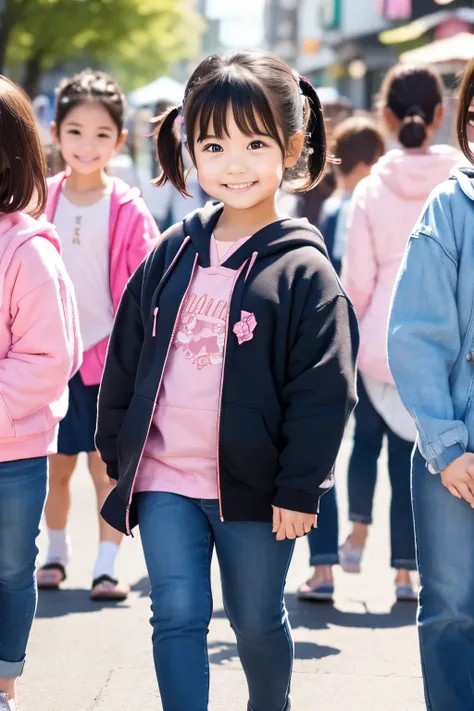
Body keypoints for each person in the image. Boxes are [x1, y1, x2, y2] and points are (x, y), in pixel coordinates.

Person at [96, 50, 359, 711]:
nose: (234, 163)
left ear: (292, 146)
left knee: (255, 620)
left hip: (257, 489)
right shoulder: (174, 248)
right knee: (176, 614)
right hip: (164, 478)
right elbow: (127, 354)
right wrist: (115, 448)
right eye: (213, 145)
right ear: (190, 150)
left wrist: (300, 487)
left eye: (255, 141)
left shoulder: (304, 269)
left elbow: (324, 390)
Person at [36, 69, 160, 601]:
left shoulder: (128, 209)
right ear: (56, 132)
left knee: (105, 471)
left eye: (102, 134)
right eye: (75, 132)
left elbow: (150, 289)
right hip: (49, 361)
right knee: (55, 470)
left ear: (120, 139)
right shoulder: (38, 199)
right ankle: (56, 553)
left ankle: (107, 565)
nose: (87, 145)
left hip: (109, 363)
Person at [340, 64, 460, 601]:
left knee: (367, 446)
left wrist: (348, 337)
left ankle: (357, 532)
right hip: (452, 350)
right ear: (441, 115)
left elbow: (357, 279)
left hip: (378, 343)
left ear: (385, 117)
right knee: (423, 458)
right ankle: (408, 572)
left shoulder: (371, 188)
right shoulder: (462, 181)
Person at [388, 58, 474, 709]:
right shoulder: (452, 205)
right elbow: (416, 334)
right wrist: (448, 445)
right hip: (456, 450)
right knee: (449, 609)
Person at [0, 76, 81, 711]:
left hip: (14, 451)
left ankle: (3, 680)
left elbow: (47, 360)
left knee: (6, 571)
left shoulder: (26, 250)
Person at [298, 116, 385, 602]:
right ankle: (403, 571)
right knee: (389, 451)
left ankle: (324, 567)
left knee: (324, 454)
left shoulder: (335, 207)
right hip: (380, 346)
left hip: (332, 343)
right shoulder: (391, 202)